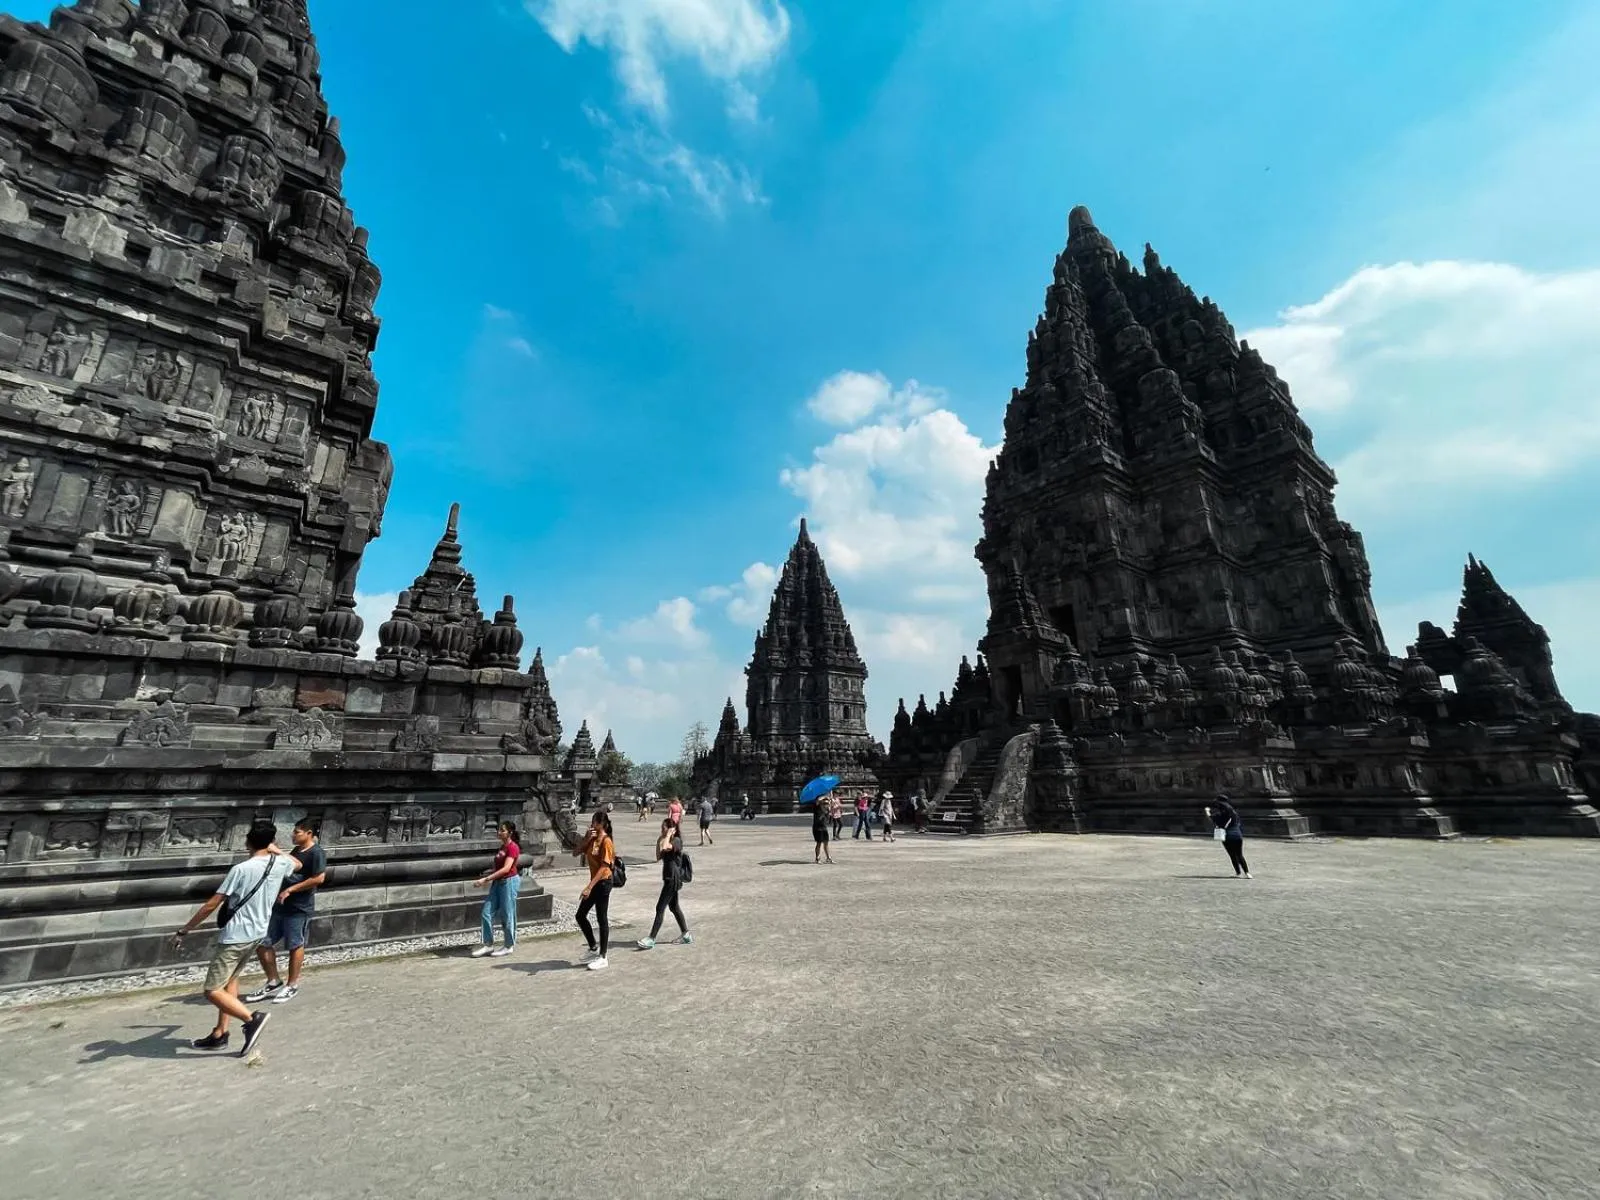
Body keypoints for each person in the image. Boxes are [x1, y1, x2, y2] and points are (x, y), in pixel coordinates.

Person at [171, 821, 297, 1055]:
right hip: (258, 932)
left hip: (236, 935)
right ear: (270, 841)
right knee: (230, 980)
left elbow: (212, 904)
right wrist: (276, 849)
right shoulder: (279, 863)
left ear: (247, 840)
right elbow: (297, 864)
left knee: (211, 989)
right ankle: (220, 1033)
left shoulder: (242, 869)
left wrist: (185, 929)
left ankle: (251, 1019)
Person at [244, 818, 327, 1005]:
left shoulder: (316, 852)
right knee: (263, 940)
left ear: (309, 834)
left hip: (299, 906)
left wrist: (291, 889)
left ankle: (292, 983)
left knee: (295, 944)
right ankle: (273, 980)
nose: (293, 835)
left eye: (297, 832)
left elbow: (319, 878)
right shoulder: (297, 850)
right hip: (280, 905)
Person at [637, 817, 692, 949]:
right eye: (661, 827)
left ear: (672, 829)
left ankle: (651, 938)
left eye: (664, 827)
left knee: (659, 908)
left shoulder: (677, 841)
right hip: (668, 878)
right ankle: (686, 934)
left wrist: (668, 836)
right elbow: (658, 856)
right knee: (674, 907)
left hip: (673, 879)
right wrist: (659, 840)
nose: (662, 830)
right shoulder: (665, 840)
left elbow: (667, 846)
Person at [470, 821, 523, 957]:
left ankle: (508, 945)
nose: (499, 832)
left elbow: (506, 868)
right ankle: (488, 944)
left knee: (507, 914)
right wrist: (489, 873)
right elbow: (499, 867)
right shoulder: (502, 847)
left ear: (510, 833)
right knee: (486, 912)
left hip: (509, 882)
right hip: (498, 882)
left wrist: (486, 880)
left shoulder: (513, 847)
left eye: (502, 830)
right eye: (499, 830)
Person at [573, 810, 616, 970]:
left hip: (604, 882)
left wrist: (589, 887)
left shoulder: (606, 842)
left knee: (601, 917)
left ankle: (603, 956)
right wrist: (585, 839)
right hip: (595, 882)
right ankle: (593, 947)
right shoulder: (592, 840)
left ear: (601, 824)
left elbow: (605, 867)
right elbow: (575, 853)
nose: (591, 825)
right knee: (580, 915)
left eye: (594, 822)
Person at [1206, 793, 1252, 878]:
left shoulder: (1221, 814)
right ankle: (1247, 872)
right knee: (1240, 854)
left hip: (1227, 836)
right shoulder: (1234, 813)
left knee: (1232, 855)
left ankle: (1238, 872)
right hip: (1237, 835)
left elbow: (1212, 819)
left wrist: (1207, 811)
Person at [811, 791, 834, 864]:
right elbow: (817, 800)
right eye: (824, 803)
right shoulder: (817, 808)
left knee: (826, 843)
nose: (826, 805)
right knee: (819, 843)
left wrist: (830, 799)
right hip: (817, 828)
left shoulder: (827, 810)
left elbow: (832, 803)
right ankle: (817, 858)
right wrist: (825, 797)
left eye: (827, 804)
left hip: (824, 827)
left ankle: (828, 858)